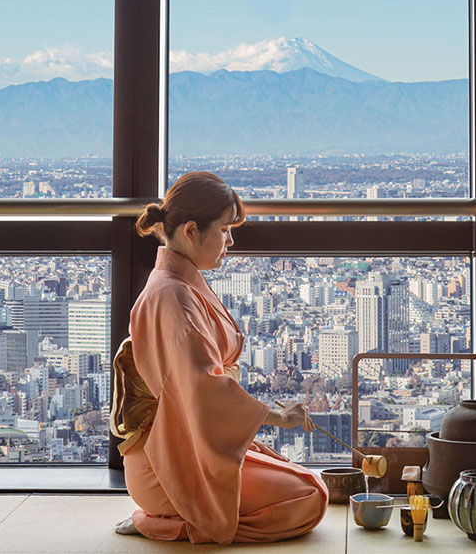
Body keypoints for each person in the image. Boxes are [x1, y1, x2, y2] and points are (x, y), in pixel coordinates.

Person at [110, 172, 328, 544]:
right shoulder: (173, 296)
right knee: (310, 497)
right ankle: (166, 521)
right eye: (225, 230)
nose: (231, 240)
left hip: (186, 443)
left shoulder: (178, 282)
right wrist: (278, 416)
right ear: (191, 231)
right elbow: (205, 390)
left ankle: (175, 515)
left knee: (305, 479)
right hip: (168, 464)